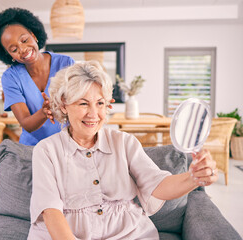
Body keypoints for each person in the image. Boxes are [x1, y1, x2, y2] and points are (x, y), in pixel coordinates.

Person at [28, 61, 218, 239]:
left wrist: (193, 178)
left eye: (100, 103)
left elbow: (157, 185)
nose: (93, 114)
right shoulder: (46, 151)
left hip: (128, 233)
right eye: (83, 103)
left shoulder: (124, 142)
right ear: (63, 105)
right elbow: (50, 211)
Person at [0, 8, 74, 146]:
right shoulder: (11, 77)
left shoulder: (66, 63)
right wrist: (45, 111)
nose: (22, 49)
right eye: (13, 49)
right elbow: (26, 123)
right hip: (33, 148)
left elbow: (80, 103)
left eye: (24, 40)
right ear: (9, 55)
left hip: (68, 143)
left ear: (34, 35)